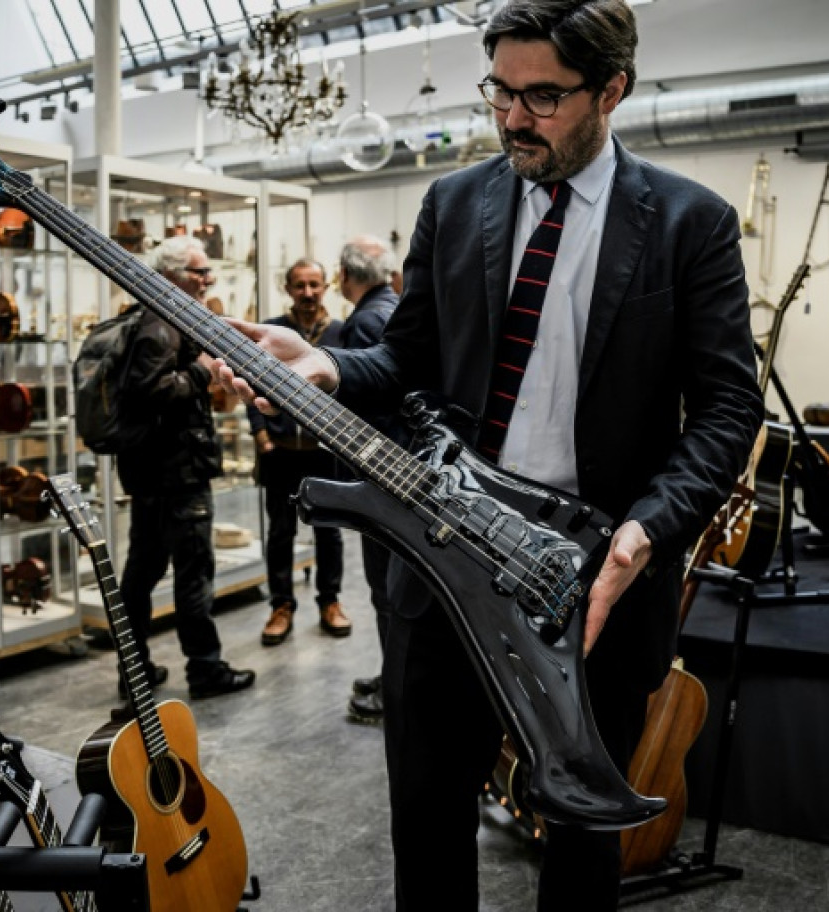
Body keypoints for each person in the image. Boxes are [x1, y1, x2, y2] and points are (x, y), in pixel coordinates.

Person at [213, 1, 764, 908]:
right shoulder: (456, 200)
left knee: (584, 847)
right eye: (499, 93)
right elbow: (408, 359)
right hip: (443, 564)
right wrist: (328, 366)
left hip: (597, 581)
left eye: (543, 97)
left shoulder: (686, 222)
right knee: (427, 828)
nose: (512, 119)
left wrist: (645, 534)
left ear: (612, 90)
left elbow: (727, 405)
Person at [115, 235, 255, 702]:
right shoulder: (162, 322)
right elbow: (146, 391)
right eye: (200, 272)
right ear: (173, 275)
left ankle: (133, 672)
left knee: (142, 572)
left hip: (156, 471)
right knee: (191, 573)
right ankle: (205, 670)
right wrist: (201, 369)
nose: (209, 279)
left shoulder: (150, 316)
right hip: (176, 473)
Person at [249, 259, 351, 647]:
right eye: (299, 286)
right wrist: (261, 433)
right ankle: (281, 605)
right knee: (280, 533)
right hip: (280, 451)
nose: (307, 293)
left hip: (326, 452)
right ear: (288, 289)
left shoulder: (342, 332)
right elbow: (248, 378)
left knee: (330, 530)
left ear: (326, 287)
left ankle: (330, 601)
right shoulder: (272, 330)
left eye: (314, 285)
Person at [334, 236, 401, 722]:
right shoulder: (395, 308)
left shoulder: (362, 323)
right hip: (403, 473)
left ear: (346, 276)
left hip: (382, 479)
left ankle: (396, 690)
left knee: (385, 592)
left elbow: (362, 414)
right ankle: (393, 674)